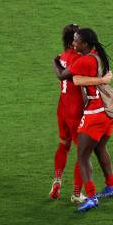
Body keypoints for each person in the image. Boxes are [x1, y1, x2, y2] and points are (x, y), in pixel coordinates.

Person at [52, 28, 113, 212]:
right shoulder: (98, 55)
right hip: (108, 112)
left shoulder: (84, 60)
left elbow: (70, 78)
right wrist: (104, 79)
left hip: (94, 113)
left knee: (82, 155)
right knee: (100, 148)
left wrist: (55, 61)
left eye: (77, 41)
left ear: (85, 44)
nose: (74, 43)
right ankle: (112, 185)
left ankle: (90, 197)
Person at [49, 24, 87, 203]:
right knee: (83, 152)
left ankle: (56, 181)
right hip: (75, 110)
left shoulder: (61, 57)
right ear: (74, 41)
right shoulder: (78, 59)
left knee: (63, 144)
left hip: (62, 107)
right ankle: (77, 193)